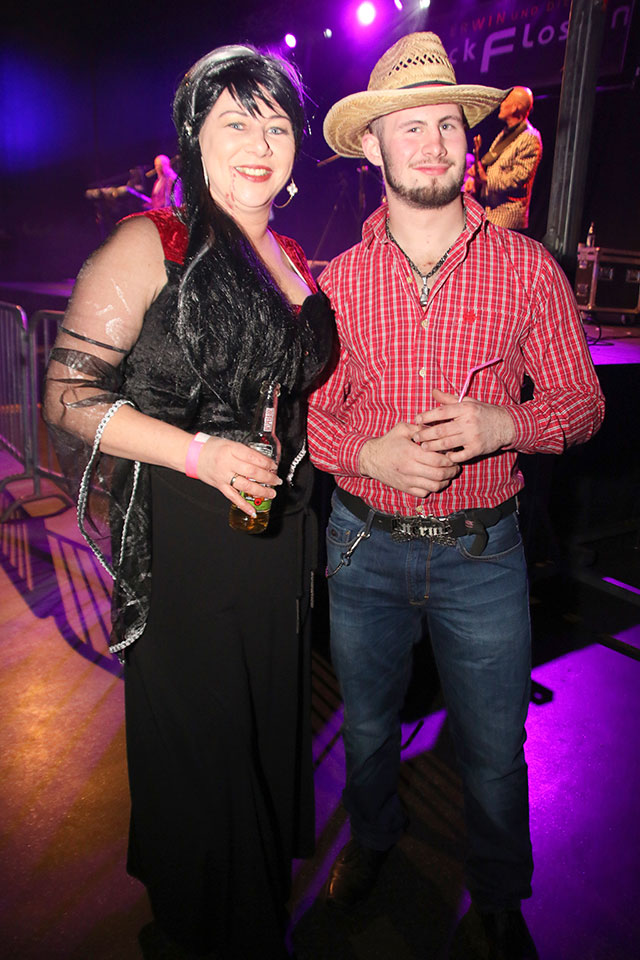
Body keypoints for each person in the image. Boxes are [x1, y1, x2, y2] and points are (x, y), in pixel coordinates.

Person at [307, 32, 604, 960]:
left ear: (467, 140)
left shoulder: (528, 269)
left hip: (485, 553)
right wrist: (369, 453)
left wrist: (503, 424)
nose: (433, 143)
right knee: (366, 729)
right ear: (373, 147)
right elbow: (309, 420)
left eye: (447, 124)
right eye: (410, 126)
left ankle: (501, 897)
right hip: (363, 548)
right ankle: (375, 841)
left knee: (495, 747)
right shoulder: (337, 284)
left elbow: (584, 403)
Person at [44, 44, 334, 960]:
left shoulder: (292, 256)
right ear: (194, 137)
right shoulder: (151, 242)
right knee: (205, 748)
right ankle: (204, 931)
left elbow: (290, 395)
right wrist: (199, 453)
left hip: (276, 537)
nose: (259, 144)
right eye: (235, 122)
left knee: (259, 734)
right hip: (185, 537)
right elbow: (68, 397)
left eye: (276, 125)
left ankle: (248, 918)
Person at [464, 85, 542, 231]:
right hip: (491, 212)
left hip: (507, 217)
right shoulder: (505, 134)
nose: (501, 104)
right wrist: (475, 179)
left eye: (506, 101)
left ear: (516, 108)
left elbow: (518, 178)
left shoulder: (530, 139)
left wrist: (486, 179)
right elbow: (492, 164)